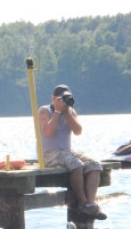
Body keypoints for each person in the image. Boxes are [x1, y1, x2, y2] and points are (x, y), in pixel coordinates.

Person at [39, 84, 106, 220]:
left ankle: (91, 203)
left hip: (66, 151)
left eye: (67, 97)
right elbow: (48, 132)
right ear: (54, 98)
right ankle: (82, 202)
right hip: (49, 153)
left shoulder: (70, 111)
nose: (65, 100)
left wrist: (67, 112)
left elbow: (78, 131)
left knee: (94, 164)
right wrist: (58, 112)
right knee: (76, 164)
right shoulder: (45, 111)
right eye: (62, 98)